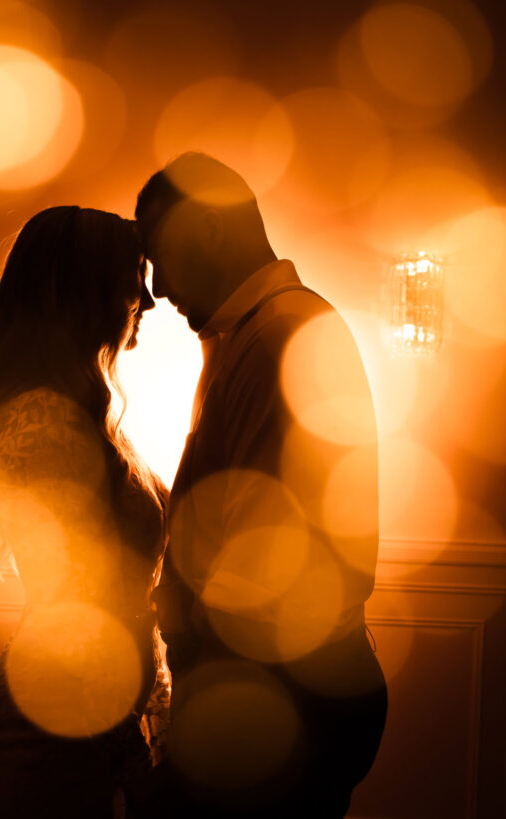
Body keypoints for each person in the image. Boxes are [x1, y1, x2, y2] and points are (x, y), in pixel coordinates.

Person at [133, 153, 387, 818]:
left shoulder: (278, 338)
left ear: (209, 232)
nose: (155, 287)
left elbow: (260, 567)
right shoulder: (259, 333)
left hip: (275, 707)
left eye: (158, 253)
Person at [0, 206, 171, 819]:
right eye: (135, 278)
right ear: (83, 289)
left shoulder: (81, 415)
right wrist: (131, 756)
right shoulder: (39, 422)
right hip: (31, 745)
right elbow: (76, 604)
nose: (148, 302)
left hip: (79, 735)